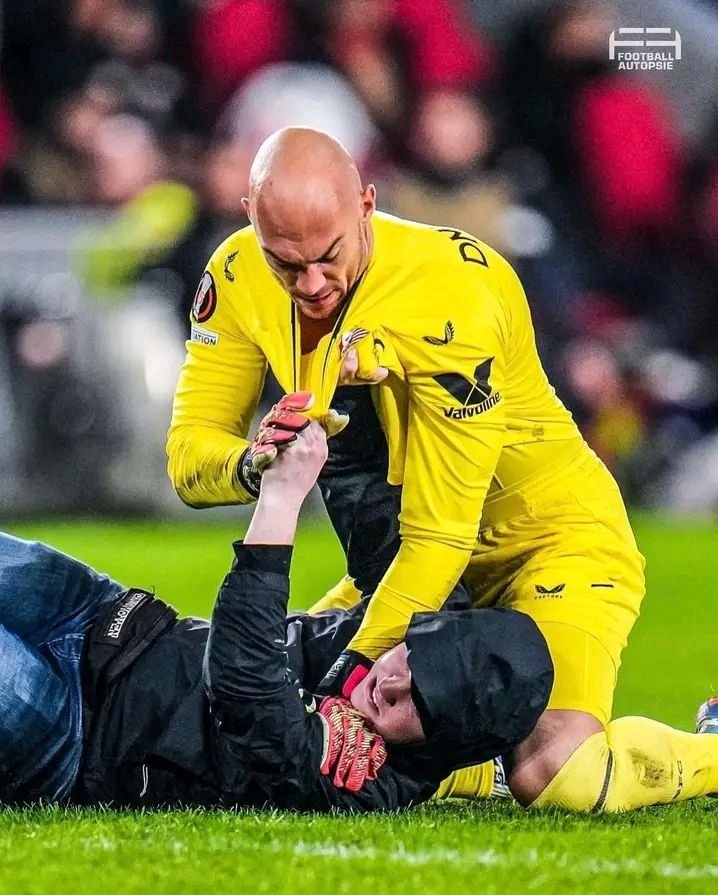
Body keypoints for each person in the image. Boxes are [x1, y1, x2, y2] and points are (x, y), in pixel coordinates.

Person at [167, 126, 718, 813]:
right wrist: (254, 465)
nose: (311, 285)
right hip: (401, 563)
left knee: (560, 775)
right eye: (286, 264)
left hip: (548, 544)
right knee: (233, 709)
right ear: (251, 220)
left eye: (329, 257)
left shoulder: (452, 293)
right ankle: (477, 766)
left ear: (367, 205)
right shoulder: (235, 273)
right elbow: (188, 456)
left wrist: (345, 684)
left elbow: (442, 538)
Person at [0, 422, 552, 810]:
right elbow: (370, 499)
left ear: (444, 744)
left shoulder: (367, 783)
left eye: (420, 704)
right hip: (109, 618)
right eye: (414, 660)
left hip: (76, 736)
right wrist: (327, 413)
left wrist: (282, 499)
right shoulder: (418, 614)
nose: (391, 685)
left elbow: (245, 686)